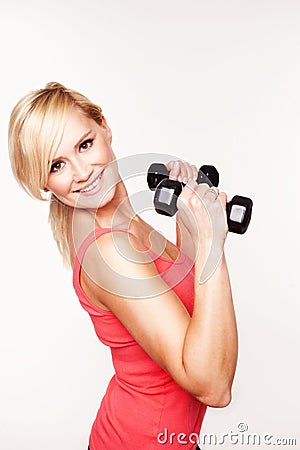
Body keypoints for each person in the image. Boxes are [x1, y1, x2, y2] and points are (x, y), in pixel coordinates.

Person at [8, 82, 238, 450]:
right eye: (57, 165)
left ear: (104, 126)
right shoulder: (110, 249)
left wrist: (190, 220)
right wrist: (214, 243)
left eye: (85, 145)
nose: (83, 171)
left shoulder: (126, 224)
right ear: (45, 182)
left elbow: (185, 309)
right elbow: (213, 384)